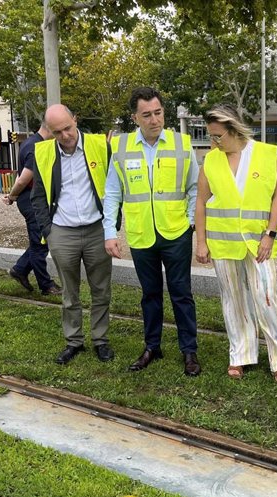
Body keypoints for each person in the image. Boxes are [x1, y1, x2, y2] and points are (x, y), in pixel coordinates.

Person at [195, 104, 277, 382]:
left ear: (234, 130)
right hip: (223, 243)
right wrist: (201, 241)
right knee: (234, 301)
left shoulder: (266, 154)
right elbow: (201, 202)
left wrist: (270, 233)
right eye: (210, 136)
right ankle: (240, 355)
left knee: (267, 298)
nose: (213, 142)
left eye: (218, 136)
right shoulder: (211, 161)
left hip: (260, 243)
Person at [102, 87, 200, 376]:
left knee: (182, 293)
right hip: (141, 233)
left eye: (158, 113)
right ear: (136, 117)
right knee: (150, 294)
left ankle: (189, 350)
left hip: (176, 232)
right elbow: (112, 192)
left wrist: (191, 222)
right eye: (147, 115)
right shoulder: (120, 147)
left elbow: (194, 187)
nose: (154, 119)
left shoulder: (182, 143)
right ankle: (152, 346)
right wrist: (110, 231)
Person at [31, 104, 115, 365]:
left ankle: (101, 340)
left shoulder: (100, 146)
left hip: (96, 230)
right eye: (58, 132)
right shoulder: (42, 153)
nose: (65, 135)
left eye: (68, 128)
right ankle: (74, 341)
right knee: (69, 293)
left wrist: (112, 225)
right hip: (62, 233)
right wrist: (50, 232)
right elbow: (37, 196)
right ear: (50, 131)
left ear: (75, 120)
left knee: (101, 290)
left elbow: (114, 187)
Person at [3, 123, 62, 296]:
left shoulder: (29, 142)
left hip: (31, 200)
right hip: (31, 201)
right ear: (50, 128)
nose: (60, 135)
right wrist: (11, 196)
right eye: (58, 130)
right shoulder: (37, 147)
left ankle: (20, 270)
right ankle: (46, 285)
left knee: (41, 241)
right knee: (40, 244)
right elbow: (23, 180)